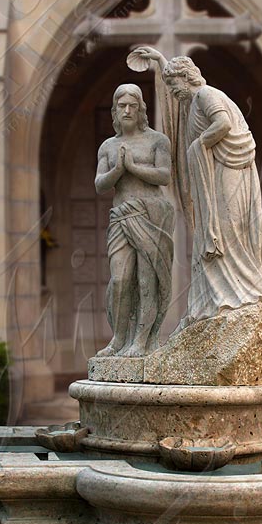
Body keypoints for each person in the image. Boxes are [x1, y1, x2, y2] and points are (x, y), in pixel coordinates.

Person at [127, 48, 262, 326]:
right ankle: (219, 295)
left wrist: (200, 144)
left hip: (229, 170)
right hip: (223, 171)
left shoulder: (205, 95)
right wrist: (160, 62)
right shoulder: (193, 98)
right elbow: (179, 108)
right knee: (219, 231)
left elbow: (221, 123)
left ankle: (240, 292)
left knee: (229, 227)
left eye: (175, 88)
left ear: (187, 79)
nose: (174, 95)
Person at [94, 84, 175, 357]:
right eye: (121, 106)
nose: (127, 110)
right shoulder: (108, 146)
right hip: (121, 215)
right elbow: (100, 185)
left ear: (141, 110)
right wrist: (118, 169)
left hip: (151, 215)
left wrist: (133, 167)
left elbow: (164, 175)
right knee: (119, 279)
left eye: (132, 105)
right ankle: (118, 339)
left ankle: (141, 340)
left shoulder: (157, 140)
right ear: (115, 111)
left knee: (146, 279)